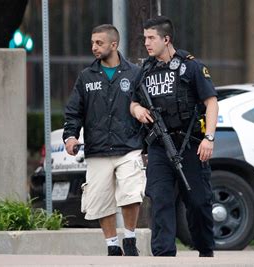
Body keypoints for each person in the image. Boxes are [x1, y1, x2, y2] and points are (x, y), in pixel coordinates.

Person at [130, 16, 218, 257]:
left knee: (198, 202)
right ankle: (163, 255)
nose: (146, 42)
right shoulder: (145, 70)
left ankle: (205, 250)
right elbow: (133, 101)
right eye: (145, 37)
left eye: (151, 38)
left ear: (166, 39)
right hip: (159, 146)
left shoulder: (191, 67)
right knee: (160, 200)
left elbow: (211, 103)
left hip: (190, 144)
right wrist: (137, 110)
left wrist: (209, 138)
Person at [63, 24, 145, 256]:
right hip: (97, 149)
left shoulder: (135, 73)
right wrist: (70, 136)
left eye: (99, 43)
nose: (94, 47)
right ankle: (112, 245)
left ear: (114, 44)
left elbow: (146, 107)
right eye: (92, 43)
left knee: (131, 193)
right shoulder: (86, 76)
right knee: (100, 200)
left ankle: (129, 239)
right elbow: (73, 111)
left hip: (129, 146)